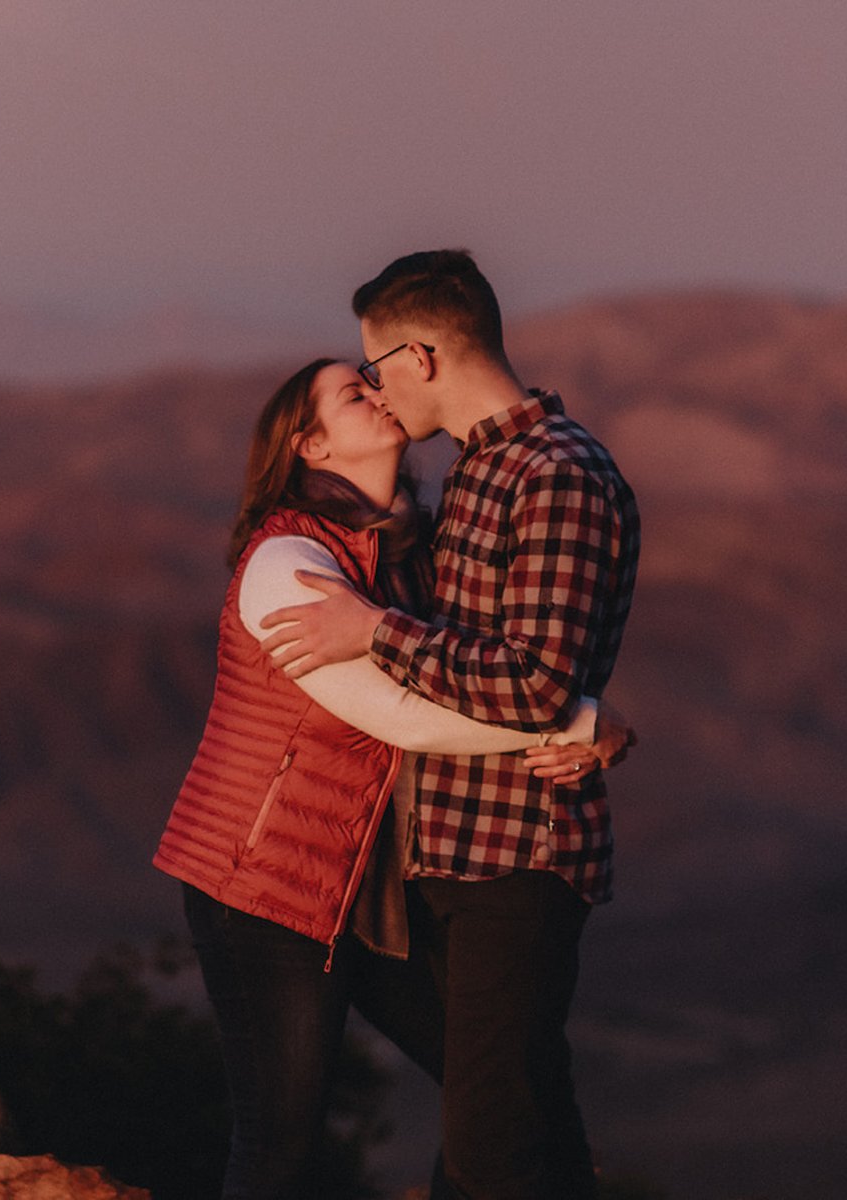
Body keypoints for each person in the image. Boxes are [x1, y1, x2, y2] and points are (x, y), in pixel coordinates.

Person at [152, 357, 625, 1200]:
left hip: (359, 888)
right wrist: (572, 723)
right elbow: (397, 714)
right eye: (351, 393)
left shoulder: (407, 551)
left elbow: (466, 667)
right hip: (261, 888)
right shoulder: (287, 565)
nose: (377, 392)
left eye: (374, 380)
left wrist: (567, 715)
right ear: (311, 445)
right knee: (279, 1143)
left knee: (495, 1083)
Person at [261, 250, 642, 1200]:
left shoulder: (555, 475)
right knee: (515, 1114)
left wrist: (370, 628)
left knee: (488, 1149)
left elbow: (534, 685)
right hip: (451, 849)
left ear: (420, 355)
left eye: (377, 370)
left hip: (518, 853)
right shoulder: (478, 472)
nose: (381, 397)